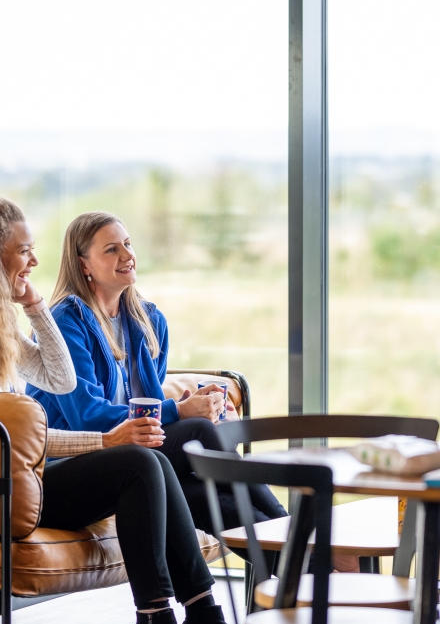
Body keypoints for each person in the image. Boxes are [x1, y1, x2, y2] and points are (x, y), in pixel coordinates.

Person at [0, 198, 232, 624]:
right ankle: (167, 621)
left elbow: (59, 379)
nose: (34, 261)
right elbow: (6, 437)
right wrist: (106, 442)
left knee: (155, 461)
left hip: (22, 478)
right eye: (24, 250)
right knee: (142, 462)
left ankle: (191, 616)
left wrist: (34, 306)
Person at [27, 211, 287, 532]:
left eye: (128, 244)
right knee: (198, 432)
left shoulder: (149, 320)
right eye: (111, 250)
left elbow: (149, 402)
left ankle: (305, 566)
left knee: (213, 501)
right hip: (78, 459)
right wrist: (180, 411)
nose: (127, 255)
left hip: (137, 453)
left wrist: (209, 411)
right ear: (84, 265)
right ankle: (304, 538)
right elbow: (88, 417)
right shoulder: (66, 323)